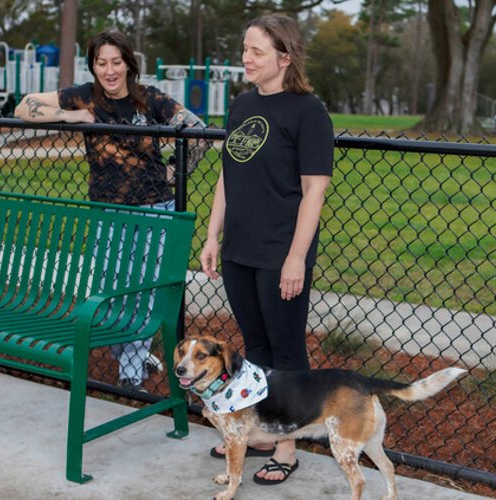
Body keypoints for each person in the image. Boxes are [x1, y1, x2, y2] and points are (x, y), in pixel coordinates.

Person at [15, 30, 209, 391]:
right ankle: (132, 356)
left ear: (128, 64)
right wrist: (70, 117)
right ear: (93, 66)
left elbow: (198, 130)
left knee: (145, 291)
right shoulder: (84, 97)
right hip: (107, 210)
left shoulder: (149, 98)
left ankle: (131, 373)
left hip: (155, 209)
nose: (110, 70)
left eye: (116, 62)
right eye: (101, 63)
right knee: (110, 289)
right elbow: (23, 106)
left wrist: (174, 172)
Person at [199, 15, 334, 485]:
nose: (246, 58)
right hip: (239, 248)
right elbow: (226, 174)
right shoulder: (241, 105)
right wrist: (212, 234)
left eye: (256, 51)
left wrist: (296, 257)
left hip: (281, 251)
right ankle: (257, 432)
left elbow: (314, 190)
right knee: (254, 346)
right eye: (244, 49)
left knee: (286, 349)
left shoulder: (308, 111)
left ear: (285, 56)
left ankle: (286, 445)